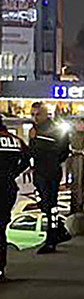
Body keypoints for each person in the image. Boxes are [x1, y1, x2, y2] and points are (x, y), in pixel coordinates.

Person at [28, 103, 72, 254]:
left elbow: (64, 150)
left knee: (50, 206)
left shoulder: (54, 129)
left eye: (37, 114)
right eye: (32, 114)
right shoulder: (34, 130)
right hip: (39, 171)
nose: (34, 117)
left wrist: (53, 162)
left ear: (46, 114)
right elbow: (32, 151)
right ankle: (59, 231)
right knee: (43, 204)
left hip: (50, 171)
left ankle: (51, 239)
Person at [0, 119, 30, 280]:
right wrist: (13, 173)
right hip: (8, 188)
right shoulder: (15, 140)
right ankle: (0, 269)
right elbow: (27, 158)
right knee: (1, 229)